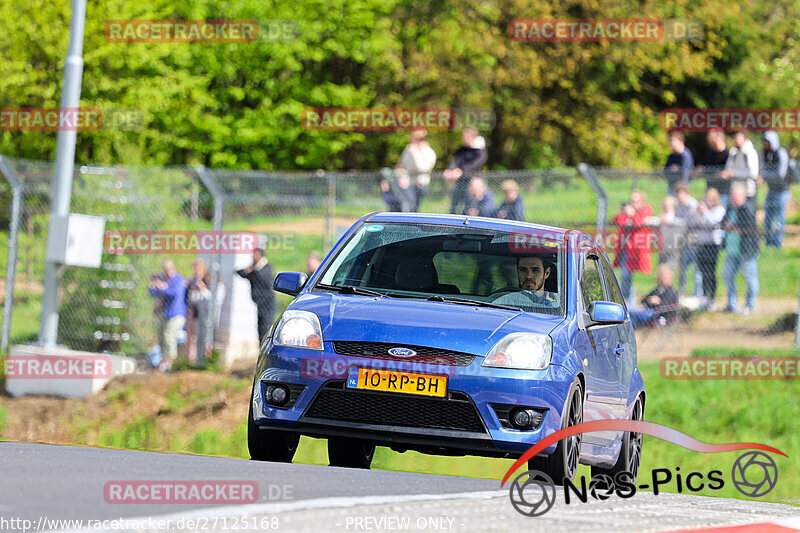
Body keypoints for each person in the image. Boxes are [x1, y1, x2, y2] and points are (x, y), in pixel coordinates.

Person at [721, 184, 760, 315]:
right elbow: (723, 222)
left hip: (746, 251)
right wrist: (727, 226)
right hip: (732, 250)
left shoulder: (747, 208)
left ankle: (750, 305)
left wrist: (734, 226)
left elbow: (748, 226)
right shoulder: (730, 208)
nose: (732, 198)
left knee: (750, 277)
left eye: (735, 195)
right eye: (731, 195)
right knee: (727, 274)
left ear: (743, 196)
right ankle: (732, 304)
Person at [612, 190, 653, 304]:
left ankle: (628, 301)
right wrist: (620, 212)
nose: (633, 204)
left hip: (636, 250)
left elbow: (638, 223)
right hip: (625, 249)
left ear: (641, 202)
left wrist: (632, 213)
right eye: (631, 201)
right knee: (624, 276)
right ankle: (628, 300)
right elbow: (617, 221)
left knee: (626, 276)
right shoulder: (628, 212)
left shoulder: (645, 210)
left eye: (636, 201)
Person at [148, 260, 187, 372]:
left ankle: (170, 361)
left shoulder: (178, 280)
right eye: (165, 270)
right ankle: (163, 359)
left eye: (169, 269)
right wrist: (153, 285)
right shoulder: (163, 279)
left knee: (169, 335)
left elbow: (173, 294)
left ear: (173, 268)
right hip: (164, 313)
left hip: (176, 314)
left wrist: (162, 287)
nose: (167, 272)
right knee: (160, 335)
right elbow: (153, 292)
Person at [692, 188, 726, 308]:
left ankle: (711, 297)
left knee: (710, 271)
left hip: (712, 245)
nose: (708, 201)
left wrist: (705, 211)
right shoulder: (703, 210)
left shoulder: (719, 210)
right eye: (707, 198)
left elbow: (713, 223)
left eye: (711, 198)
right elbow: (696, 223)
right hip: (701, 243)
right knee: (702, 271)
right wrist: (697, 213)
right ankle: (705, 297)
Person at [443, 127, 488, 214]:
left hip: (472, 183)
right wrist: (449, 170)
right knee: (454, 205)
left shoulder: (479, 151)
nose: (463, 139)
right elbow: (455, 161)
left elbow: (475, 165)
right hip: (460, 182)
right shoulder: (462, 150)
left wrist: (461, 171)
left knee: (469, 207)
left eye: (466, 136)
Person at [237, 248, 277, 342]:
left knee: (266, 329)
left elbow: (263, 277)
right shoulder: (254, 268)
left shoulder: (267, 268)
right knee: (260, 330)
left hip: (268, 304)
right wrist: (250, 271)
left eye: (255, 255)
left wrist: (252, 271)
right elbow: (241, 273)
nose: (253, 257)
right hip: (259, 304)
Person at [185, 258, 219, 366]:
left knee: (206, 338)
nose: (195, 271)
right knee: (198, 338)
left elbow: (214, 298)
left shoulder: (209, 279)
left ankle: (207, 361)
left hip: (208, 313)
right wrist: (194, 291)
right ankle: (199, 362)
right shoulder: (193, 281)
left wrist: (203, 289)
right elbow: (191, 299)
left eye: (198, 268)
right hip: (198, 313)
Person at [760, 130, 791, 247]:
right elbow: (762, 169)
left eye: (767, 141)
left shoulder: (780, 153)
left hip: (782, 191)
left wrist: (765, 175)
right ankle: (768, 242)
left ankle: (777, 243)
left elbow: (780, 174)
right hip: (771, 190)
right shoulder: (766, 153)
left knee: (778, 218)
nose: (765, 144)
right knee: (768, 217)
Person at [395, 129, 437, 210]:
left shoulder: (429, 152)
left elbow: (422, 167)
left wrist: (415, 154)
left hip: (420, 184)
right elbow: (401, 165)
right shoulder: (408, 149)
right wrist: (399, 176)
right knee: (406, 206)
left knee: (414, 207)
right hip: (407, 184)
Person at [628, 264, 679, 328]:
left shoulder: (671, 291)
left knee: (631, 313)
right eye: (659, 275)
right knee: (631, 313)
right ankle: (630, 330)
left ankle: (629, 330)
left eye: (662, 275)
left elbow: (665, 307)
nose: (659, 278)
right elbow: (643, 300)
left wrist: (658, 302)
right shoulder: (657, 289)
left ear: (670, 277)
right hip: (650, 313)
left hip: (660, 316)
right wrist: (650, 300)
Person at [673, 182, 701, 297]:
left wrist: (674, 220)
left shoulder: (692, 204)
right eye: (677, 195)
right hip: (682, 242)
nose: (679, 197)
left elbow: (687, 222)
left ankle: (698, 294)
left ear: (686, 194)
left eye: (681, 194)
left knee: (697, 271)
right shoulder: (676, 204)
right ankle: (681, 293)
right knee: (682, 269)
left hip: (695, 241)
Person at [719, 131, 759, 203]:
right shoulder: (734, 152)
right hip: (734, 191)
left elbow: (753, 173)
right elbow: (728, 168)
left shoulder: (750, 152)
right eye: (735, 138)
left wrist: (735, 173)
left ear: (745, 139)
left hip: (748, 191)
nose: (736, 140)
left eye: (738, 138)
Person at [697, 128, 730, 205]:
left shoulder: (728, 154)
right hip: (710, 192)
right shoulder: (709, 152)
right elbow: (704, 167)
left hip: (722, 192)